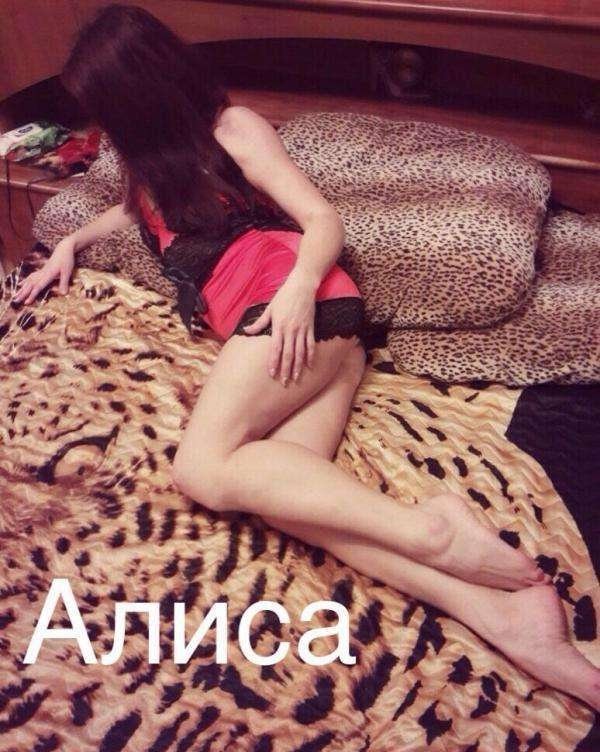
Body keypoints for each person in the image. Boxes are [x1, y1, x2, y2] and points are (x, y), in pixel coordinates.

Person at [13, 3, 599, 712]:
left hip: (294, 305)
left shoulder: (233, 129)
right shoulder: (154, 162)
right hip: (314, 342)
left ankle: (431, 529)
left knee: (200, 468)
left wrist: (296, 290)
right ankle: (501, 617)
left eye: (107, 107)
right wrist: (70, 243)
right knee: (301, 505)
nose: (103, 126)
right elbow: (137, 213)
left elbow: (322, 217)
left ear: (140, 88)